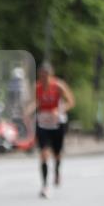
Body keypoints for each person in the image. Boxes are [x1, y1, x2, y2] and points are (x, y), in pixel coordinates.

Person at [30, 61, 75, 197]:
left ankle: (56, 171)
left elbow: (71, 101)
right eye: (41, 76)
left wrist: (59, 110)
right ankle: (45, 186)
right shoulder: (36, 87)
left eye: (46, 75)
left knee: (57, 153)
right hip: (43, 122)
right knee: (43, 153)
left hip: (57, 123)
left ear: (51, 75)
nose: (44, 79)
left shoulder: (58, 86)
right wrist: (29, 110)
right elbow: (34, 102)